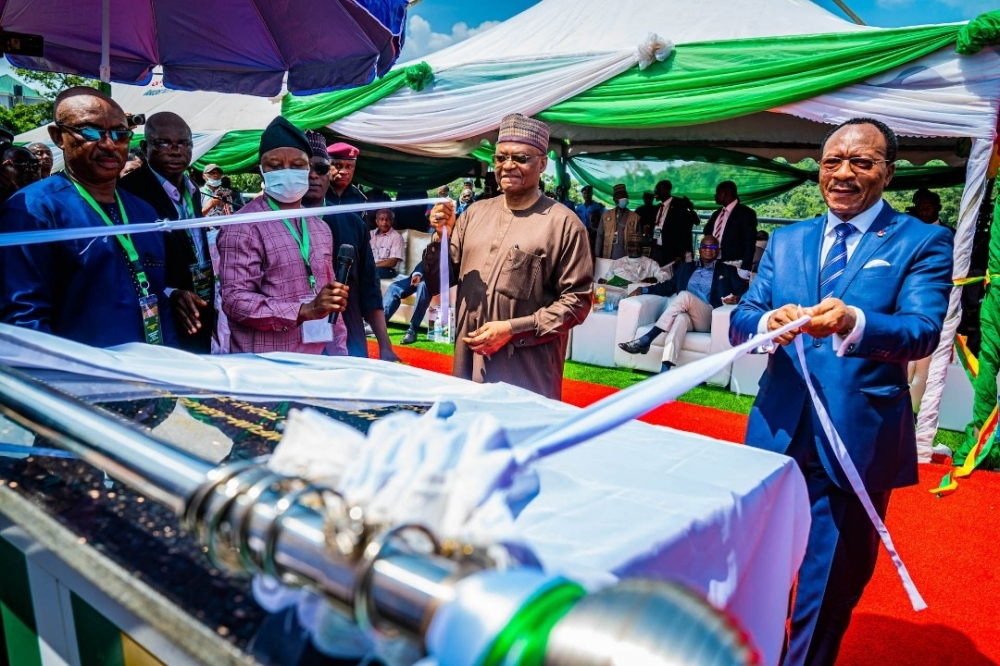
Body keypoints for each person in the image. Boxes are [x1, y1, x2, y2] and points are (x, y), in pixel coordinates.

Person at [730, 118, 953, 666]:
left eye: (862, 162)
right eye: (833, 162)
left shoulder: (922, 241)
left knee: (826, 590)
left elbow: (921, 329)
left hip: (857, 442)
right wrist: (765, 326)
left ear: (888, 172)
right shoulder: (787, 240)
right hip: (775, 434)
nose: (844, 174)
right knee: (756, 575)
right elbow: (743, 318)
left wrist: (854, 320)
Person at [430, 113, 592, 400]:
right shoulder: (475, 214)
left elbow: (576, 302)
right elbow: (439, 281)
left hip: (524, 370)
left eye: (520, 158)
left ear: (542, 163)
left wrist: (512, 329)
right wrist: (439, 239)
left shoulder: (564, 225)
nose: (507, 166)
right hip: (467, 365)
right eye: (500, 158)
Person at [0, 86, 177, 348]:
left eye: (120, 134)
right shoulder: (34, 211)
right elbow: (24, 321)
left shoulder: (143, 211)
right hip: (79, 379)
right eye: (91, 132)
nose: (109, 144)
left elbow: (156, 296)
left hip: (148, 373)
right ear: (58, 136)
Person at [217, 117, 349, 355]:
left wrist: (340, 353)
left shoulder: (319, 227)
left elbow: (330, 302)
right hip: (265, 366)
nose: (287, 172)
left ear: (309, 168)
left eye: (297, 165)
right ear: (261, 171)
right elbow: (235, 301)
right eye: (275, 166)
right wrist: (303, 310)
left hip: (316, 361)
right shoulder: (243, 226)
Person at [120, 111, 215, 354]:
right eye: (164, 143)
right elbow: (124, 262)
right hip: (157, 312)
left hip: (198, 304)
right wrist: (169, 293)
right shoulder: (128, 192)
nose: (175, 150)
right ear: (144, 146)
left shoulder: (192, 190)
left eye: (183, 143)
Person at [304, 131, 398, 361]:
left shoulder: (352, 220)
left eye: (321, 169)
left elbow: (369, 283)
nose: (313, 176)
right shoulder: (267, 223)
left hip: (348, 318)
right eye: (303, 168)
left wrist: (385, 346)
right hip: (292, 329)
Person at [618, 234, 746, 372]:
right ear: (699, 249)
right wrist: (643, 290)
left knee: (684, 296)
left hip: (707, 316)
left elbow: (746, 291)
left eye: (712, 247)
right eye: (704, 246)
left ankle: (647, 339)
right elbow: (668, 286)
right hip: (687, 316)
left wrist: (737, 298)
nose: (708, 249)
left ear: (718, 250)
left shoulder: (727, 271)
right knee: (679, 319)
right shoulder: (686, 268)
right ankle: (665, 370)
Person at [383, 212, 453, 345]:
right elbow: (424, 261)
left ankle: (412, 329)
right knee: (394, 287)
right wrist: (417, 274)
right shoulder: (435, 239)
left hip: (441, 281)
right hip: (425, 276)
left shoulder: (455, 242)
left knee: (423, 286)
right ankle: (380, 323)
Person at [706, 180, 757, 276]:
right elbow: (707, 232)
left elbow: (749, 243)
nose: (715, 196)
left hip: (734, 263)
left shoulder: (746, 213)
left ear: (726, 194)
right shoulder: (717, 213)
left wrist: (746, 268)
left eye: (718, 193)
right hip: (713, 261)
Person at [649, 179, 698, 267]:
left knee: (670, 276)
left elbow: (684, 230)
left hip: (672, 250)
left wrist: (679, 253)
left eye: (658, 189)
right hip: (657, 248)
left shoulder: (679, 204)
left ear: (667, 190)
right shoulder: (657, 208)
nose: (655, 192)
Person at [595, 183, 640, 260]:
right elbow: (599, 236)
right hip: (608, 257)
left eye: (624, 195)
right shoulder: (606, 216)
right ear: (615, 199)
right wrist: (597, 255)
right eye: (620, 196)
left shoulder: (635, 217)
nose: (623, 198)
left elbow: (638, 241)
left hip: (627, 259)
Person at [598, 235, 664, 286]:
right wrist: (603, 281)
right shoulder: (616, 262)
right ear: (627, 247)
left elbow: (664, 276)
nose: (635, 248)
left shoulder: (650, 263)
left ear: (642, 248)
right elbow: (607, 278)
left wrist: (654, 279)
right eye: (632, 245)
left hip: (638, 294)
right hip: (617, 291)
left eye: (638, 246)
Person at [370, 208, 405, 279]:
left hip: (387, 270)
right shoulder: (371, 234)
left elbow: (393, 262)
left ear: (392, 221)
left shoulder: (396, 237)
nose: (384, 222)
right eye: (381, 219)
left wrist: (372, 265)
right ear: (377, 221)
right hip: (371, 267)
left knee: (369, 272)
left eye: (387, 219)